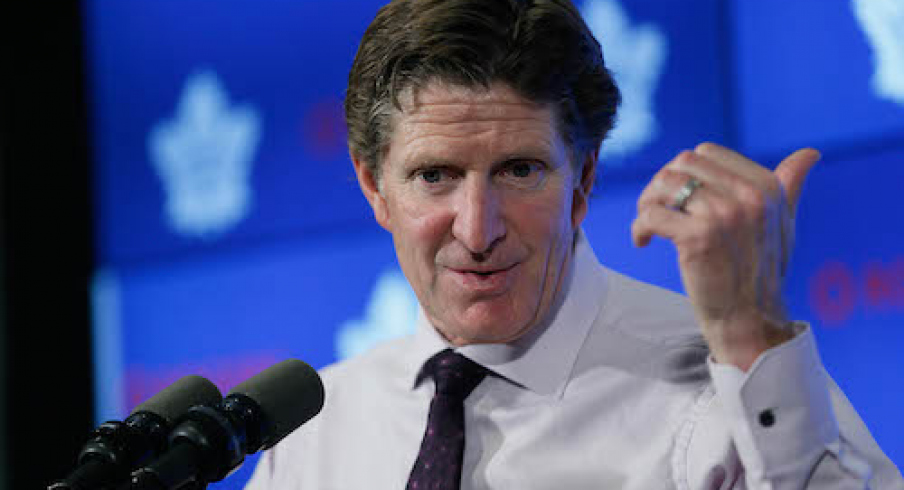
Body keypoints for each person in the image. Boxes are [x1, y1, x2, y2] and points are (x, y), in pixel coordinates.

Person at [246, 0, 903, 488]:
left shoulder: (730, 387)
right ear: (374, 187)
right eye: (435, 176)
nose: (478, 230)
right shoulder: (315, 431)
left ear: (583, 180)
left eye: (520, 170)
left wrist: (752, 336)